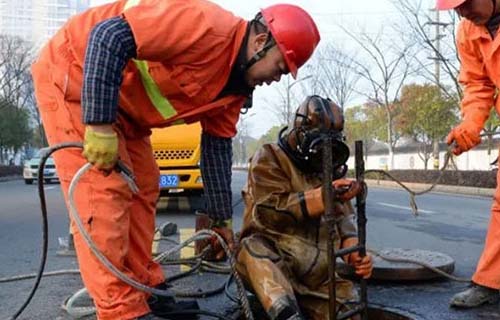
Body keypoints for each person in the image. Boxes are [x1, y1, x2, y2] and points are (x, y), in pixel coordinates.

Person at [30, 1, 320, 319]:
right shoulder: (205, 25)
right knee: (104, 193)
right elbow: (109, 36)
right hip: (76, 78)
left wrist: (220, 220)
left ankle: (145, 291)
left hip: (128, 113)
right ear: (261, 42)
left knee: (144, 187)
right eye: (279, 68)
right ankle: (121, 311)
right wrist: (98, 124)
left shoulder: (235, 88)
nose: (276, 79)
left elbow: (217, 149)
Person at [235, 96, 373, 320]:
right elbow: (268, 211)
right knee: (253, 250)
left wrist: (354, 251)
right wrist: (322, 197)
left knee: (350, 313)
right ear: (300, 133)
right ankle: (285, 312)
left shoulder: (326, 167)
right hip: (274, 265)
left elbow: (343, 219)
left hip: (318, 278)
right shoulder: (269, 157)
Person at [436, 0, 500, 309]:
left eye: (468, 2)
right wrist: (470, 126)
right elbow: (477, 85)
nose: (463, 11)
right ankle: (491, 282)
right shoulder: (467, 32)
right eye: (457, 7)